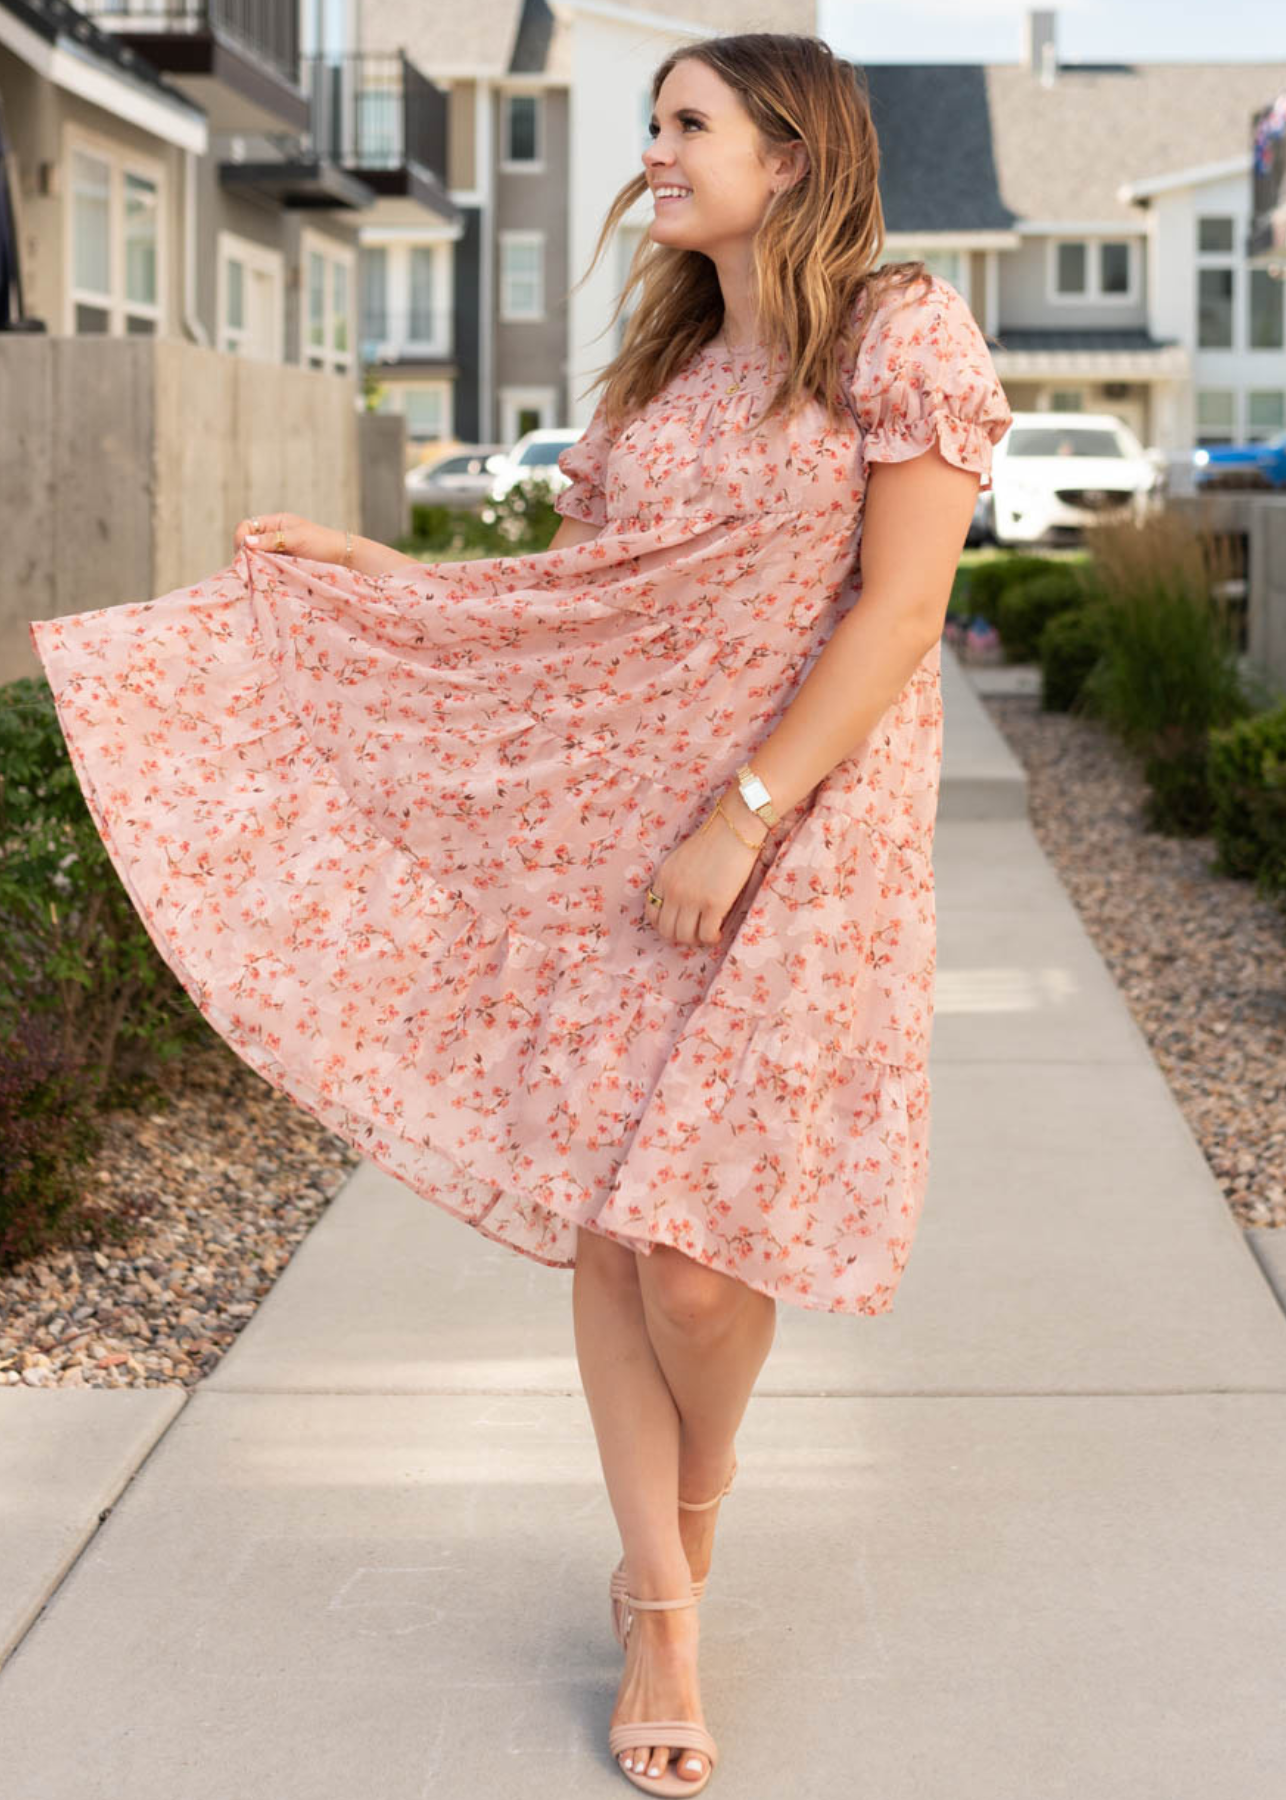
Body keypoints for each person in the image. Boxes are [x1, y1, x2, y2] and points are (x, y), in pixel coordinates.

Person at [28, 31, 1011, 1796]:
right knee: (617, 1225)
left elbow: (894, 615)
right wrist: (397, 585)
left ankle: (681, 1529)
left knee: (706, 1265)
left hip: (807, 839)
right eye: (650, 123)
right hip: (617, 836)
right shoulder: (662, 370)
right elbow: (583, 607)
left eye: (686, 124)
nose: (654, 152)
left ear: (790, 155)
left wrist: (744, 818)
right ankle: (659, 1604)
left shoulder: (900, 331)